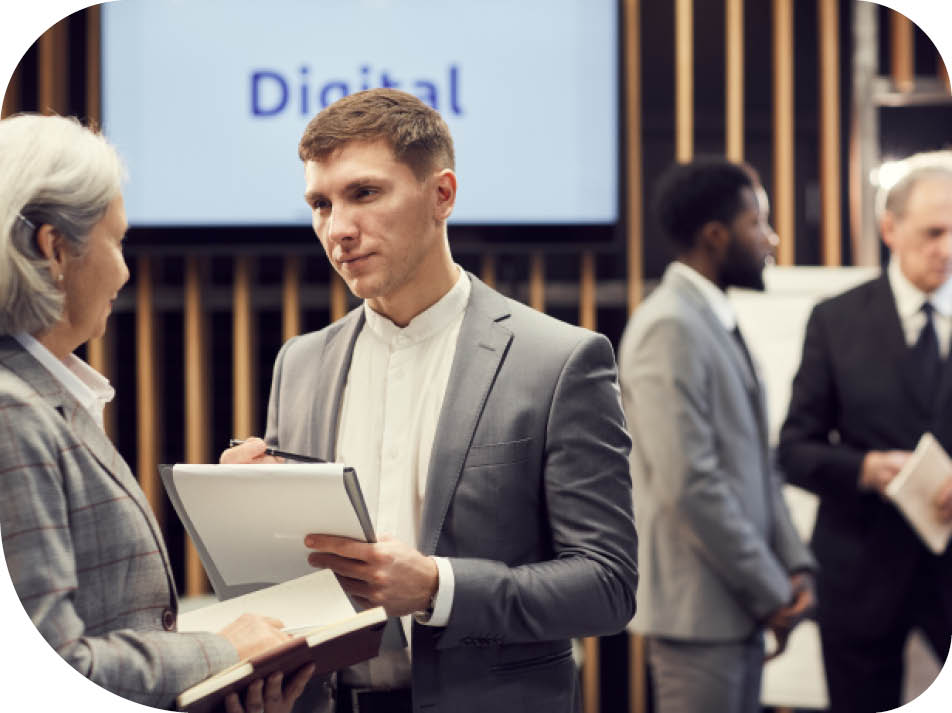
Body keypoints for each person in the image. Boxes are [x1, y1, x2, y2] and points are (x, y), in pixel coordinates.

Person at [221, 88, 638, 713]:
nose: (338, 229)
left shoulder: (558, 360)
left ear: (442, 194)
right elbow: (292, 581)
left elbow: (607, 585)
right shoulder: (300, 364)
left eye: (364, 193)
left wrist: (438, 587)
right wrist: (248, 519)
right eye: (320, 204)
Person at [0, 114, 315, 713]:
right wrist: (222, 652)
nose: (125, 270)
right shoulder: (12, 411)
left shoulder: (44, 395)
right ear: (54, 248)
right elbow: (45, 666)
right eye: (117, 241)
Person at [617, 158, 816, 713]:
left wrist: (794, 567)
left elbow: (758, 466)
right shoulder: (668, 326)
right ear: (715, 235)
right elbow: (691, 484)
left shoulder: (711, 319)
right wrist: (773, 588)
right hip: (699, 614)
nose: (772, 239)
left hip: (738, 603)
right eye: (760, 223)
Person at [779, 150, 952, 713]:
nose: (947, 249)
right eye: (933, 232)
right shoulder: (836, 320)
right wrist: (865, 469)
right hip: (861, 571)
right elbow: (794, 450)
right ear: (889, 229)